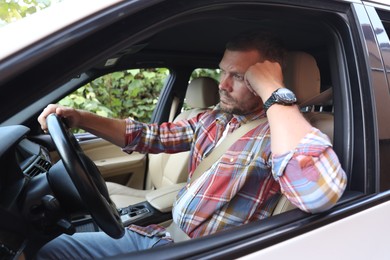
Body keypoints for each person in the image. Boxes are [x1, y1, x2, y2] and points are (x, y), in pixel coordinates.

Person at [36, 31, 347, 259]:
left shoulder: (280, 135)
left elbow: (317, 194)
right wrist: (80, 117)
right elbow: (148, 136)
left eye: (238, 76)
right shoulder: (215, 119)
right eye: (222, 70)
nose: (222, 84)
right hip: (166, 237)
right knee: (56, 250)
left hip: (206, 252)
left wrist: (274, 91)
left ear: (264, 80)